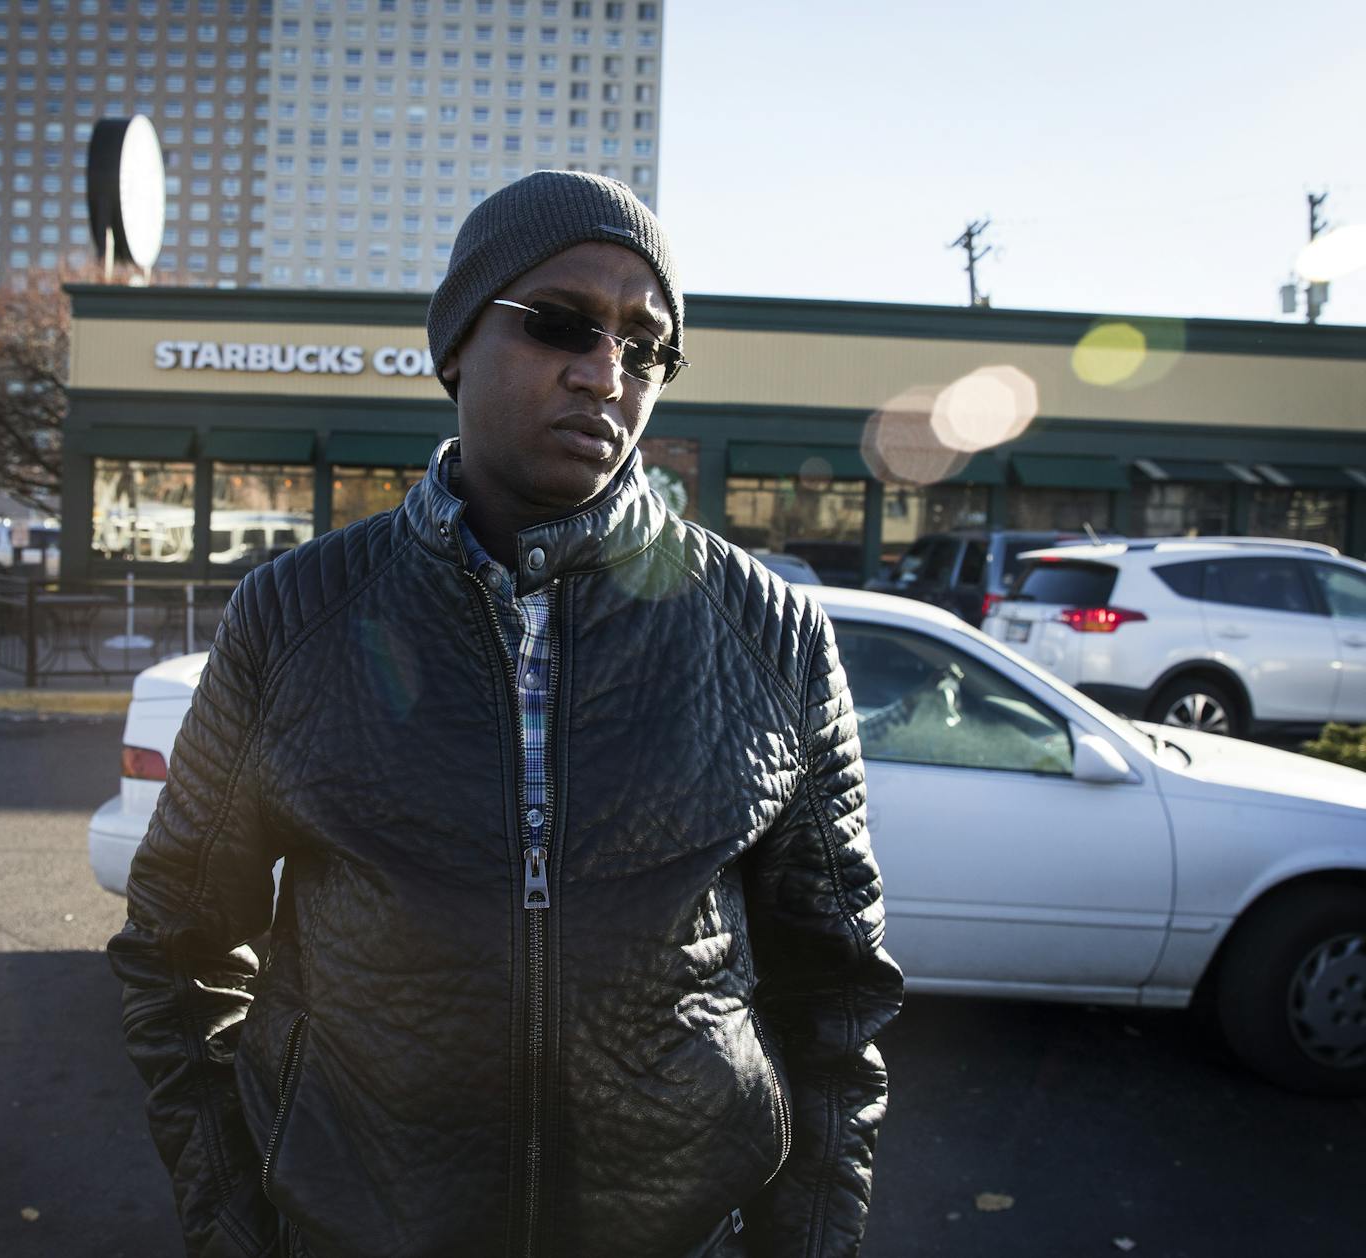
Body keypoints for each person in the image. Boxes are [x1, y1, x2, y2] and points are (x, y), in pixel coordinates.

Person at [109, 171, 903, 1258]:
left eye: (645, 345)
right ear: (454, 346)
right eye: (562, 324)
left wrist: (806, 1242)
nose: (604, 372)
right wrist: (234, 1224)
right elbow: (176, 949)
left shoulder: (769, 633)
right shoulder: (294, 616)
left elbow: (837, 994)